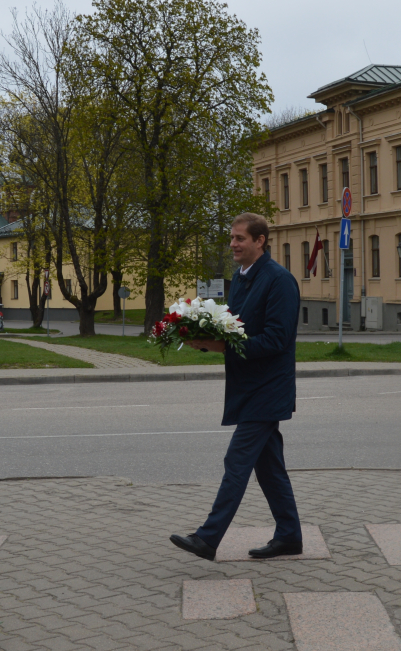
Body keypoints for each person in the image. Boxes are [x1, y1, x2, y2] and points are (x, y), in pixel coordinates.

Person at [170, 212, 302, 561]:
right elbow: (234, 327)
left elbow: (277, 339)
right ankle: (289, 536)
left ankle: (208, 538)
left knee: (237, 460)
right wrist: (202, 336)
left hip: (268, 388)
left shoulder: (279, 281)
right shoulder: (242, 278)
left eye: (240, 238)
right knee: (269, 467)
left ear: (260, 241)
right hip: (247, 386)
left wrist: (223, 347)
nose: (233, 244)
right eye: (232, 238)